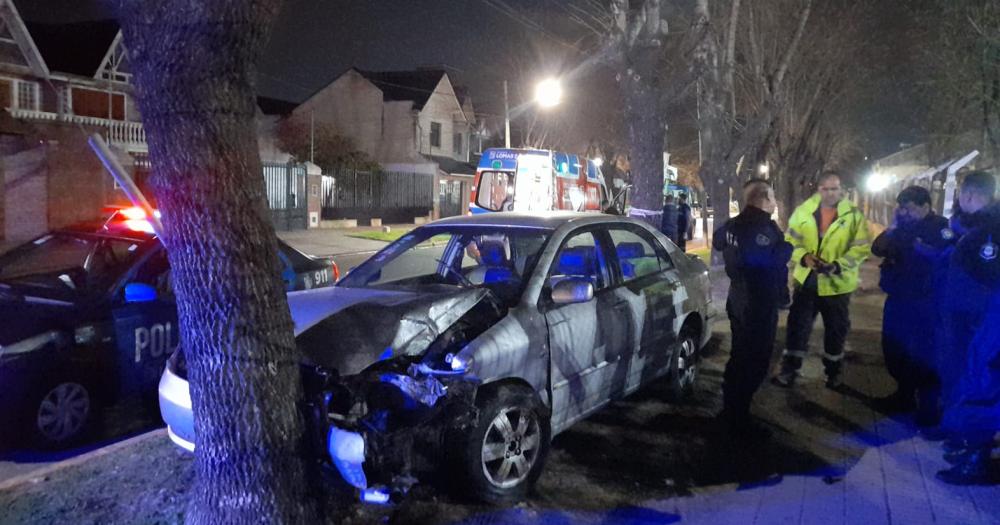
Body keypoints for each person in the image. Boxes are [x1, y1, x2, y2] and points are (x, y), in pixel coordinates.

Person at [773, 171, 872, 389]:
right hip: (807, 282)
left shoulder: (853, 216)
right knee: (797, 328)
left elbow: (862, 249)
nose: (829, 193)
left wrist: (838, 265)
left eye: (834, 188)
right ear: (818, 189)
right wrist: (803, 257)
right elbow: (789, 242)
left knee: (836, 331)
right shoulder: (803, 212)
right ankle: (789, 370)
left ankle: (833, 373)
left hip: (837, 285)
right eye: (825, 188)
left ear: (841, 190)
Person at [871, 186, 955, 429]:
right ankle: (903, 395)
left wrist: (922, 249)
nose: (903, 212)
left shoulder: (940, 226)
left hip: (925, 303)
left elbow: (946, 256)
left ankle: (929, 407)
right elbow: (877, 248)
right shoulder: (901, 226)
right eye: (901, 207)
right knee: (895, 349)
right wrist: (894, 226)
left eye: (908, 207)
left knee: (923, 353)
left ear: (925, 206)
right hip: (898, 298)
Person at [934, 171, 1000, 477]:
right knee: (972, 381)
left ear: (970, 195)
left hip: (982, 324)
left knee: (981, 383)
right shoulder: (978, 227)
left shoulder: (989, 231)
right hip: (973, 323)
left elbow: (987, 280)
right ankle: (971, 446)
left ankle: (978, 458)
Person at [714, 180, 793, 430]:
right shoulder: (760, 227)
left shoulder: (733, 225)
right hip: (757, 302)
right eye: (771, 197)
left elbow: (719, 242)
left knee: (739, 356)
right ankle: (737, 418)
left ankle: (732, 410)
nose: (774, 201)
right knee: (755, 360)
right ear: (762, 199)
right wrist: (785, 250)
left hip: (738, 299)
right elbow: (761, 263)